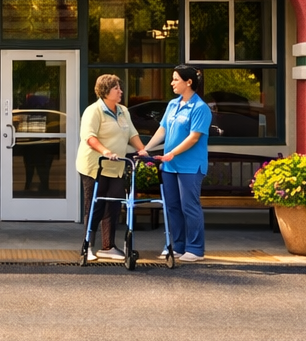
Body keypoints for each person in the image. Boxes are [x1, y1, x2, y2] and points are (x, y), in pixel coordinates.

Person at [139, 65, 212, 262]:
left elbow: (194, 138)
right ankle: (176, 246)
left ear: (188, 82)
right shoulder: (172, 105)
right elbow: (162, 130)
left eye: (175, 79)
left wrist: (171, 153)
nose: (172, 83)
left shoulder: (200, 108)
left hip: (190, 166)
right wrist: (147, 147)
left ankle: (195, 249)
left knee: (189, 206)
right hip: (170, 166)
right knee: (172, 206)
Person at [78, 74, 146, 260]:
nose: (120, 91)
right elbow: (89, 137)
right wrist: (105, 151)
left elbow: (132, 134)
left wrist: (142, 150)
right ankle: (88, 247)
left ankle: (108, 246)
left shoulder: (123, 111)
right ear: (106, 91)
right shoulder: (93, 111)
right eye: (117, 88)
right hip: (95, 166)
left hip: (116, 167)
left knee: (114, 206)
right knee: (94, 206)